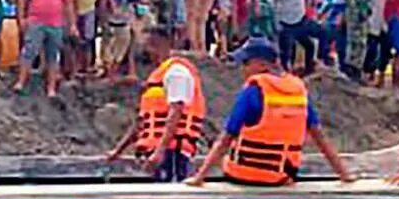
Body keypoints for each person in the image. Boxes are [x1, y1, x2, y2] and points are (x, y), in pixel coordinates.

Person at [185, 37, 352, 187]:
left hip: (246, 175)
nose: (242, 69)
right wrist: (344, 175)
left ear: (262, 64)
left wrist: (199, 178)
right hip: (281, 177)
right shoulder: (298, 90)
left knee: (227, 161)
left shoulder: (253, 90)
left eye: (246, 63)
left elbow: (226, 138)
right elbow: (319, 137)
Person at [107, 49, 207, 181]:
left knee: (172, 194)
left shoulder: (177, 72)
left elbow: (176, 112)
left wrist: (160, 151)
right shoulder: (155, 80)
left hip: (173, 152)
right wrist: (118, 151)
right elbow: (141, 122)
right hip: (154, 152)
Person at [15, 0, 72, 98]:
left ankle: (51, 89)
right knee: (29, 52)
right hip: (35, 21)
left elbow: (69, 4)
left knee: (53, 56)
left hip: (55, 23)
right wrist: (21, 18)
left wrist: (71, 24)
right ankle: (21, 82)